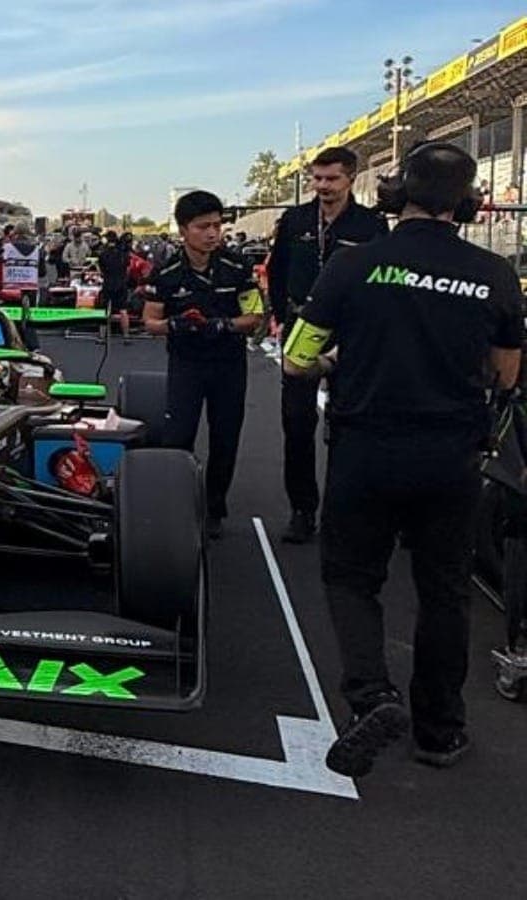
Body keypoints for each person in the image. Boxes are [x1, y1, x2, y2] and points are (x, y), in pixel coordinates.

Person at [283, 143, 523, 776]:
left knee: (351, 576)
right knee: (445, 592)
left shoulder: (352, 265)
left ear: (394, 196)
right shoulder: (494, 272)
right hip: (452, 456)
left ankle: (371, 696)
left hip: (366, 450)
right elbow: (505, 373)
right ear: (467, 204)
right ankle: (440, 732)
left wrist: (341, 360)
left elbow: (296, 358)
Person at [268, 146, 391, 544]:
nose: (323, 186)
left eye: (331, 178)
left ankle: (346, 510)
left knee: (350, 422)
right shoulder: (294, 219)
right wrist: (280, 315)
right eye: (317, 179)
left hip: (352, 329)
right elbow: (278, 269)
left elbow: (381, 278)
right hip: (303, 323)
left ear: (351, 178)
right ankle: (303, 509)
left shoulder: (370, 224)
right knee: (297, 421)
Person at [142, 191, 264, 539]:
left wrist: (223, 325)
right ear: (183, 230)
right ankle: (177, 504)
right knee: (178, 437)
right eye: (203, 227)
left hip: (228, 363)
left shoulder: (238, 266)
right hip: (186, 364)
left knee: (225, 438)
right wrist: (174, 325)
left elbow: (254, 316)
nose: (213, 233)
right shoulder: (165, 271)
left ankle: (215, 506)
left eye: (217, 225)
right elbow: (149, 320)